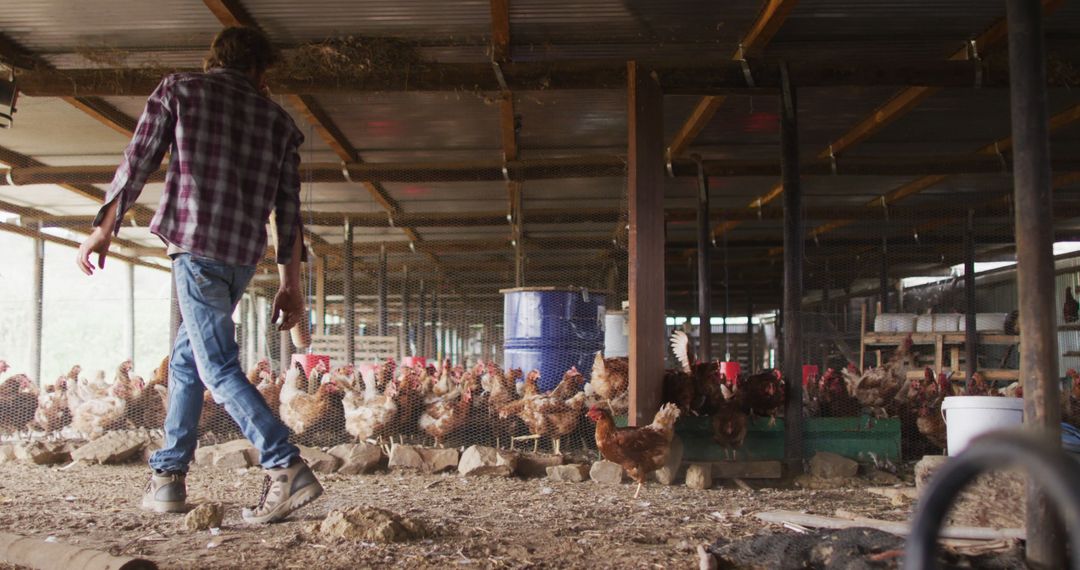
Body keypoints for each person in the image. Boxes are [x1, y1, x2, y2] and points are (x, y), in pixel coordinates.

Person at [76, 26, 322, 524]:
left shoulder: (181, 90)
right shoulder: (278, 122)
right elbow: (289, 213)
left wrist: (104, 226)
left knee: (216, 365)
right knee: (187, 360)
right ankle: (169, 477)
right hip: (239, 259)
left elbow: (137, 159)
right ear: (260, 71)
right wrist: (290, 284)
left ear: (214, 60)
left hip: (196, 249)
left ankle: (285, 466)